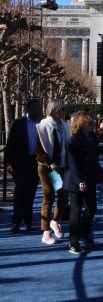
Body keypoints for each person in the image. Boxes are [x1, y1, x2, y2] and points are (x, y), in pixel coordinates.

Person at [63, 111, 103, 254]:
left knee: (91, 208)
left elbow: (93, 159)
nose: (92, 124)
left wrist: (101, 172)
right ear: (82, 124)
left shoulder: (91, 138)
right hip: (76, 181)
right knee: (75, 211)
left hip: (90, 178)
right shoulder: (73, 140)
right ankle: (73, 242)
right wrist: (80, 180)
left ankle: (84, 233)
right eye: (89, 122)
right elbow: (73, 163)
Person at [5, 98, 43, 233]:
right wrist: (9, 162)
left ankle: (28, 221)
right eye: (37, 107)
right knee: (20, 192)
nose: (40, 110)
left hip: (35, 162)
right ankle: (16, 222)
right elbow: (10, 144)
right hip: (20, 163)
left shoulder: (42, 123)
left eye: (40, 107)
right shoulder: (18, 123)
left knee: (31, 193)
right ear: (29, 109)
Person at [36, 99, 71, 245]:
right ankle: (45, 232)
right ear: (56, 110)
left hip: (60, 166)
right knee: (48, 196)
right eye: (62, 109)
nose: (64, 111)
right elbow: (40, 150)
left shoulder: (64, 125)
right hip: (47, 167)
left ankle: (55, 221)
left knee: (63, 195)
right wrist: (50, 163)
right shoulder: (43, 126)